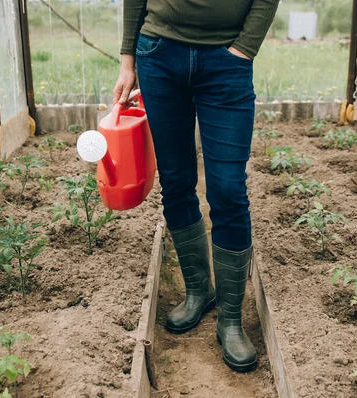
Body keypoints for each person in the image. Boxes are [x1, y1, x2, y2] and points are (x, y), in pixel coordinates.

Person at [114, 0, 279, 373]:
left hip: (227, 61)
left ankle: (231, 320)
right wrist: (128, 60)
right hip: (159, 53)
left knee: (228, 190)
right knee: (176, 180)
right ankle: (198, 290)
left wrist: (243, 50)